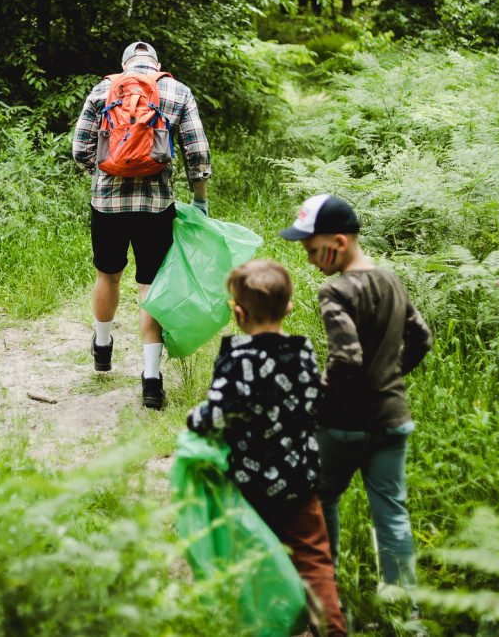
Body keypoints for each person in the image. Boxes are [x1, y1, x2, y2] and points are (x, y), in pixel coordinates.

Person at [278, 193, 433, 609]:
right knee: (392, 512)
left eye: (313, 250)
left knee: (320, 499)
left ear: (339, 242)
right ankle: (405, 611)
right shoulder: (391, 280)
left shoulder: (337, 291)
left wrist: (315, 401)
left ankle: (323, 597)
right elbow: (421, 338)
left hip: (345, 424)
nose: (311, 260)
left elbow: (346, 360)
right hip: (392, 418)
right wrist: (388, 377)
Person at [186, 259, 347, 637]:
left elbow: (219, 414)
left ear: (238, 313)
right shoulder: (303, 352)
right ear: (289, 307)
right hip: (300, 482)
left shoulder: (237, 359)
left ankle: (267, 626)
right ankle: (332, 630)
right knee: (315, 564)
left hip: (250, 487)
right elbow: (315, 403)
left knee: (255, 565)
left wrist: (197, 420)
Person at [72, 41, 212, 410]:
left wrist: (103, 173)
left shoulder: (104, 89)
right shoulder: (177, 90)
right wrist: (200, 200)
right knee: (150, 285)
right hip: (156, 204)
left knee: (108, 274)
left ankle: (103, 347)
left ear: (124, 66)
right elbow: (197, 153)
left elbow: (79, 150)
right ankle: (151, 378)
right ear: (157, 64)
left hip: (106, 203)